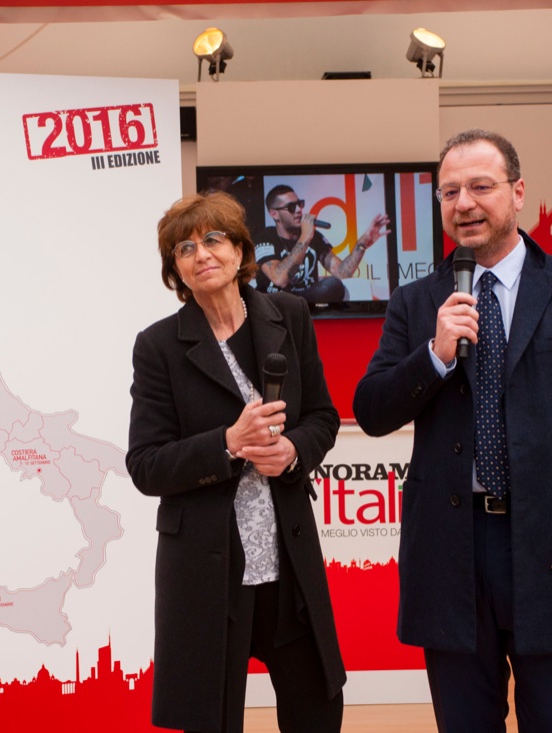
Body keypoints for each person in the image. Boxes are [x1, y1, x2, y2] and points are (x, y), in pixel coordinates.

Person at [353, 129, 552, 732]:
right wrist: (434, 352)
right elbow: (373, 411)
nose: (464, 203)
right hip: (452, 553)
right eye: (450, 191)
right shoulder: (416, 302)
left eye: (481, 187)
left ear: (517, 193)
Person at [127, 192, 345, 732]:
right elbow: (146, 465)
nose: (200, 254)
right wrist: (227, 442)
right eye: (184, 248)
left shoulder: (289, 315)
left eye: (213, 239)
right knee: (211, 719)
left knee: (317, 707)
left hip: (287, 562)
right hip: (208, 569)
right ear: (174, 268)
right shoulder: (158, 347)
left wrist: (294, 451)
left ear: (241, 249)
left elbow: (321, 416)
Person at [254, 184, 389, 303]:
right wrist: (305, 237)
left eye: (299, 204)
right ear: (274, 214)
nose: (298, 210)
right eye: (291, 207)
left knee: (332, 285)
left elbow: (341, 273)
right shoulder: (265, 237)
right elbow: (279, 279)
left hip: (306, 304)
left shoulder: (314, 237)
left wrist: (362, 244)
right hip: (276, 307)